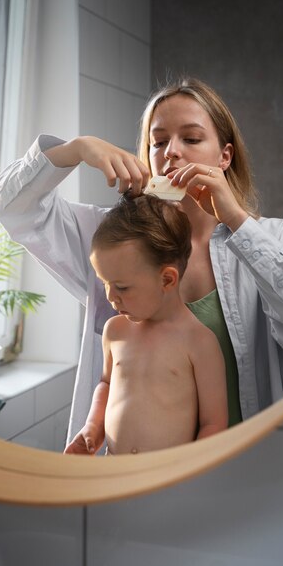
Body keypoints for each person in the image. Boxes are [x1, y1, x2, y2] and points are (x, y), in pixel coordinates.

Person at [0, 77, 283, 444]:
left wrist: (237, 220)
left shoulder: (271, 238)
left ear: (225, 156)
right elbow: (12, 207)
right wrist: (75, 150)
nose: (171, 151)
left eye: (191, 138)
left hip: (241, 475)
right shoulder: (109, 238)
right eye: (158, 142)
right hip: (132, 482)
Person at [65, 194, 228, 455]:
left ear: (166, 280)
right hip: (114, 472)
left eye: (121, 287)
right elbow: (106, 384)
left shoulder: (199, 342)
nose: (110, 296)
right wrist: (93, 427)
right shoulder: (115, 331)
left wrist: (190, 470)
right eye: (105, 283)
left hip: (168, 482)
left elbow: (214, 422)